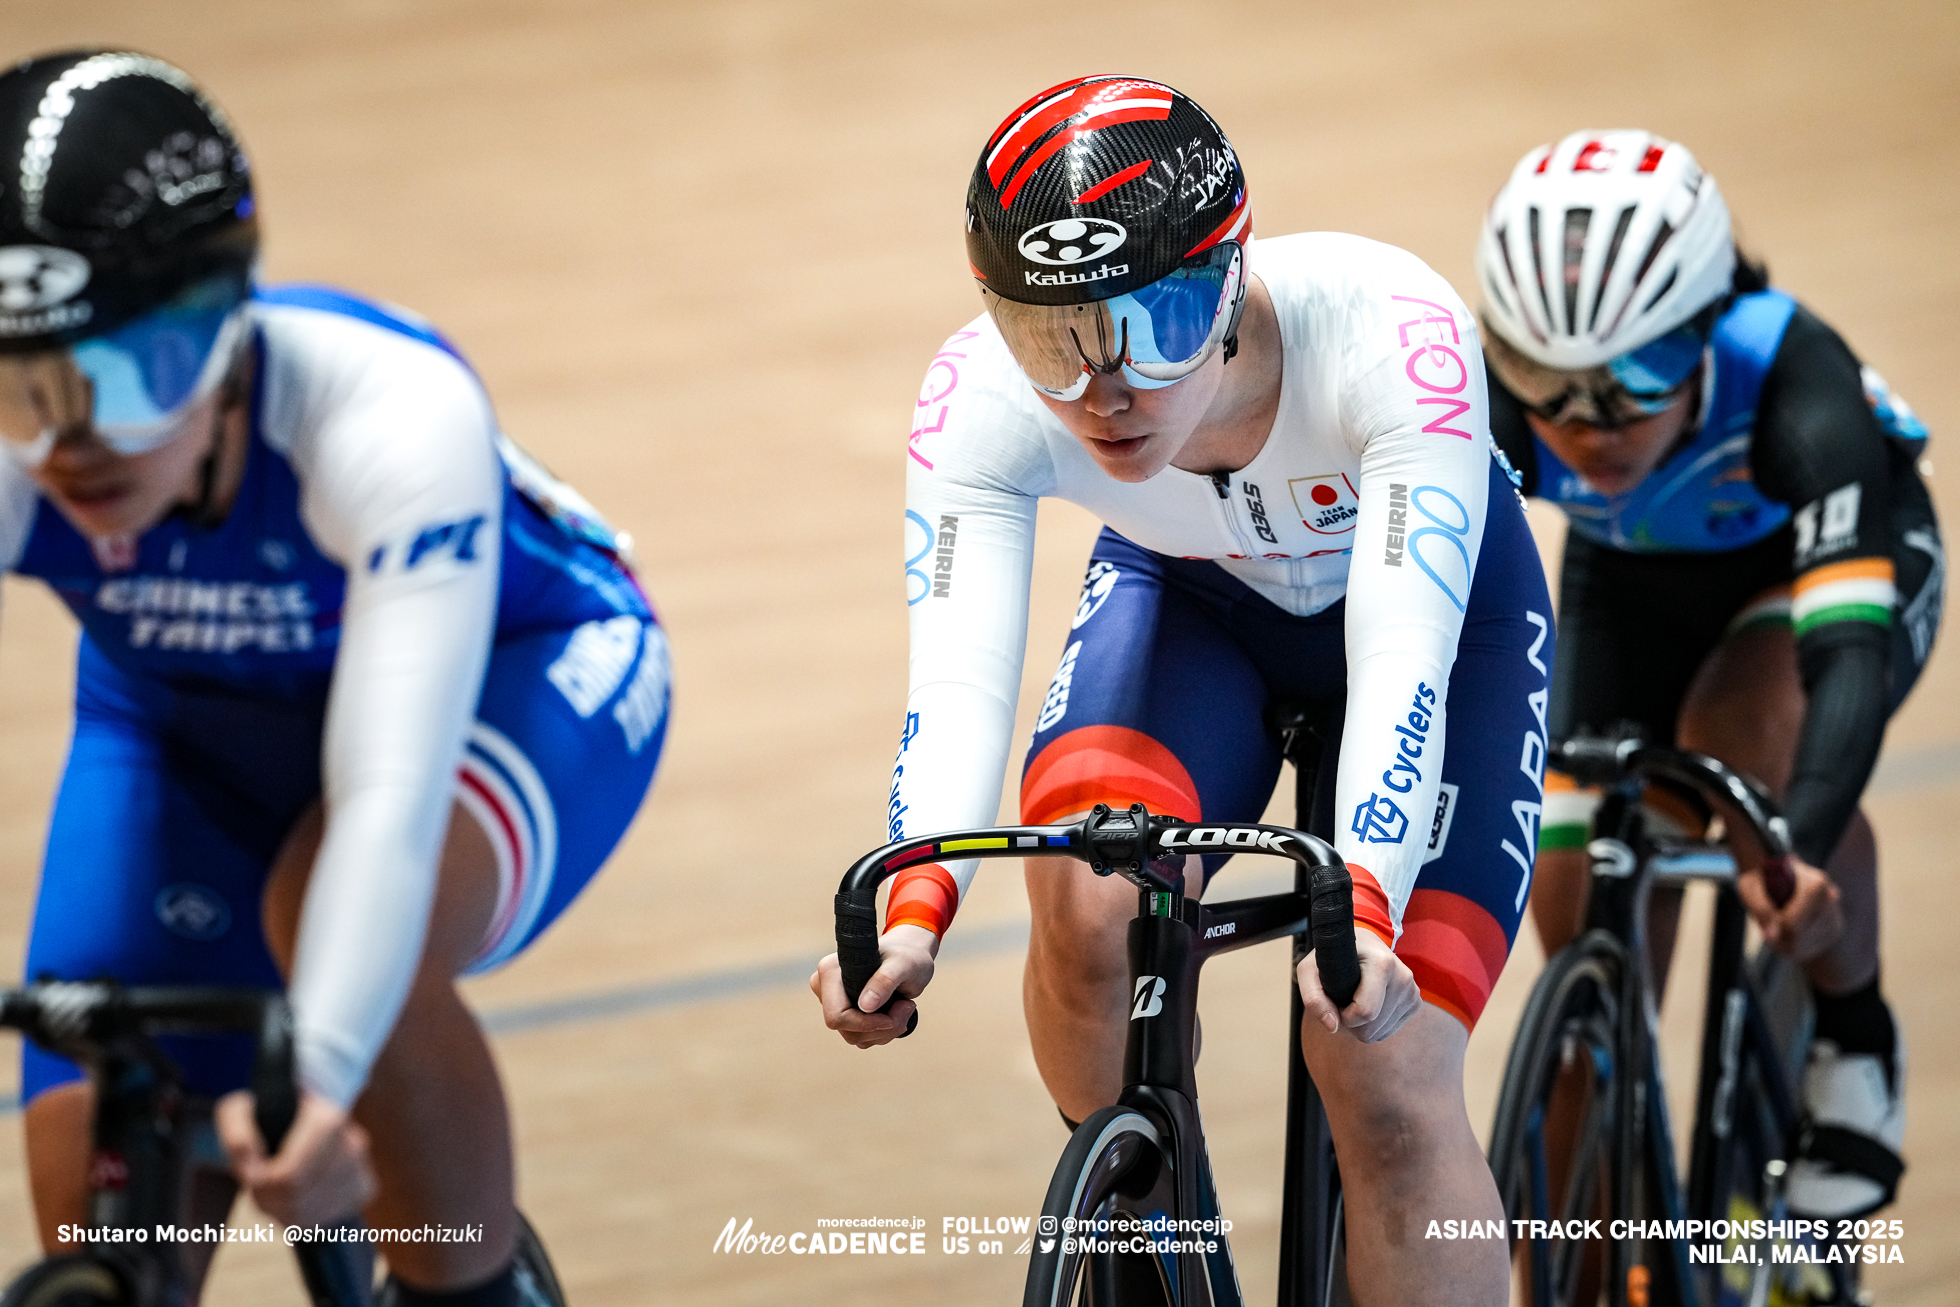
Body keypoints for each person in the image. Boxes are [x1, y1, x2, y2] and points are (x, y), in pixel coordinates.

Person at [811, 74, 1554, 1306]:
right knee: (1088, 907)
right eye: (1048, 338)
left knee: (1379, 1064)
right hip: (1195, 602)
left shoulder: (1392, 329)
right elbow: (952, 681)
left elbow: (1404, 658)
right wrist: (909, 907)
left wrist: (1361, 903)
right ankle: (1152, 1232)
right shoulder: (978, 401)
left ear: (1226, 277)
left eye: (1147, 325)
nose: (1100, 389)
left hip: (1444, 624)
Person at [0, 50, 670, 1305]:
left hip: (517, 672)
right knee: (102, 1108)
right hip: (179, 723)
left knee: (336, 926)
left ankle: (466, 1287)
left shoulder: (387, 409)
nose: (73, 443)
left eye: (134, 376)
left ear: (228, 319)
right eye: (18, 392)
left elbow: (385, 796)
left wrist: (319, 1071)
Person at [1475, 129, 1938, 1219]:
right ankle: (1615, 1167)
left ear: (1705, 327)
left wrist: (1803, 837)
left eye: (1637, 377)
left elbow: (1845, 656)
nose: (1590, 427)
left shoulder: (1792, 382)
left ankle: (1857, 1042)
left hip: (1809, 578)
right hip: (1629, 581)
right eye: (1549, 383)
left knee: (1742, 748)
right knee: (1573, 879)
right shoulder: (1492, 408)